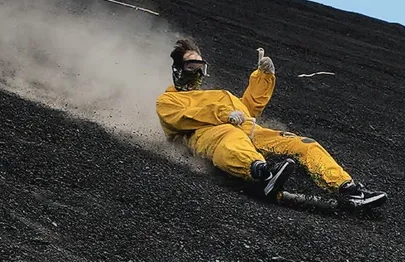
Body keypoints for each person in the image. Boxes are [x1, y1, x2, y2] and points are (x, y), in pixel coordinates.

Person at [155, 37, 387, 208]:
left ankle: (347, 188)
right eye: (191, 65)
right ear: (178, 69)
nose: (197, 71)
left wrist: (263, 78)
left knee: (302, 144)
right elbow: (180, 119)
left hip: (248, 132)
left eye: (201, 66)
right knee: (230, 136)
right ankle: (260, 173)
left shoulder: (217, 95)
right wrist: (223, 115)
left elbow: (248, 108)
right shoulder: (169, 99)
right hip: (206, 138)